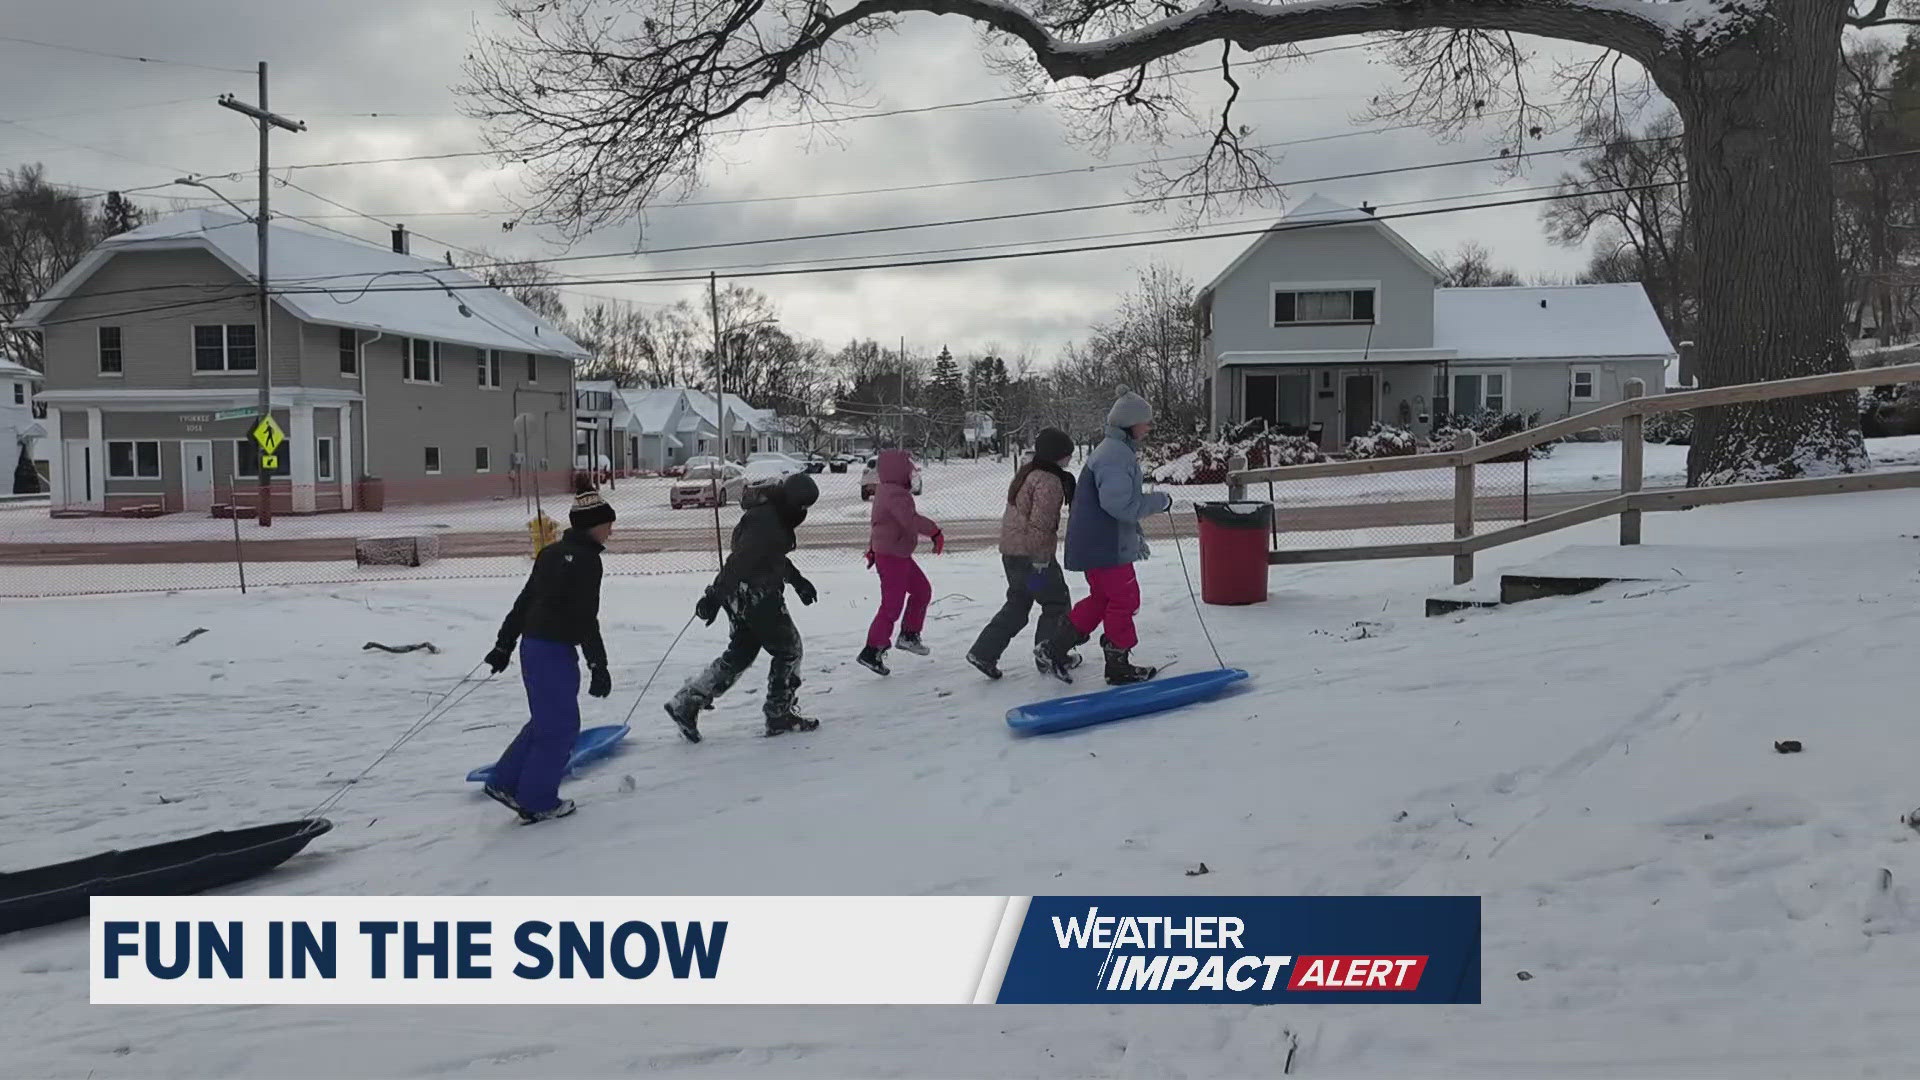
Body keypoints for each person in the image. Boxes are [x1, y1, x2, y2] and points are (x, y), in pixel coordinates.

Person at [480, 486, 617, 824]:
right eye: (608, 524)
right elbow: (586, 617)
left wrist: (504, 644)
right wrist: (598, 664)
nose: (611, 530)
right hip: (554, 650)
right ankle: (537, 800)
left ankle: (505, 782)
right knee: (560, 726)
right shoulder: (588, 561)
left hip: (534, 646)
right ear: (592, 525)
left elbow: (525, 601)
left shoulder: (551, 553)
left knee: (547, 721)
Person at [665, 470, 822, 740]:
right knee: (789, 650)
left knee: (741, 653)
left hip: (742, 595)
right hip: (756, 595)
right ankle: (779, 713)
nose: (804, 512)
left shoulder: (771, 513)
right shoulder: (768, 521)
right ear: (794, 502)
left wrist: (798, 581)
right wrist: (714, 595)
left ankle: (688, 702)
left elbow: (772, 557)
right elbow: (740, 561)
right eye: (804, 506)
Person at [1043, 387, 1172, 685]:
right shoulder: (1115, 455)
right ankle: (1117, 665)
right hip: (1106, 545)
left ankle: (1055, 647)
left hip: (1098, 543)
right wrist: (1159, 501)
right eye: (1146, 422)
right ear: (1130, 424)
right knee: (1125, 598)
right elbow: (1120, 505)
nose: (1149, 427)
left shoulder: (1114, 450)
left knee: (1103, 598)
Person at [965, 427, 1084, 680]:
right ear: (1057, 456)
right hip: (1034, 559)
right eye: (1067, 454)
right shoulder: (1050, 482)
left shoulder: (1028, 473)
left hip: (1013, 555)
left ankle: (984, 652)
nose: (1069, 459)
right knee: (1056, 602)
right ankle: (1050, 654)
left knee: (1018, 604)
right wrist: (1041, 562)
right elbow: (1040, 525)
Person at [859, 448, 943, 676]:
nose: (911, 473)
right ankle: (872, 650)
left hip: (897, 553)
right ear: (898, 471)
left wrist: (872, 549)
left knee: (922, 590)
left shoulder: (887, 490)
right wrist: (934, 532)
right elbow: (909, 520)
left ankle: (909, 634)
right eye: (908, 469)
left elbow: (879, 525)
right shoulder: (894, 493)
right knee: (892, 605)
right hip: (893, 557)